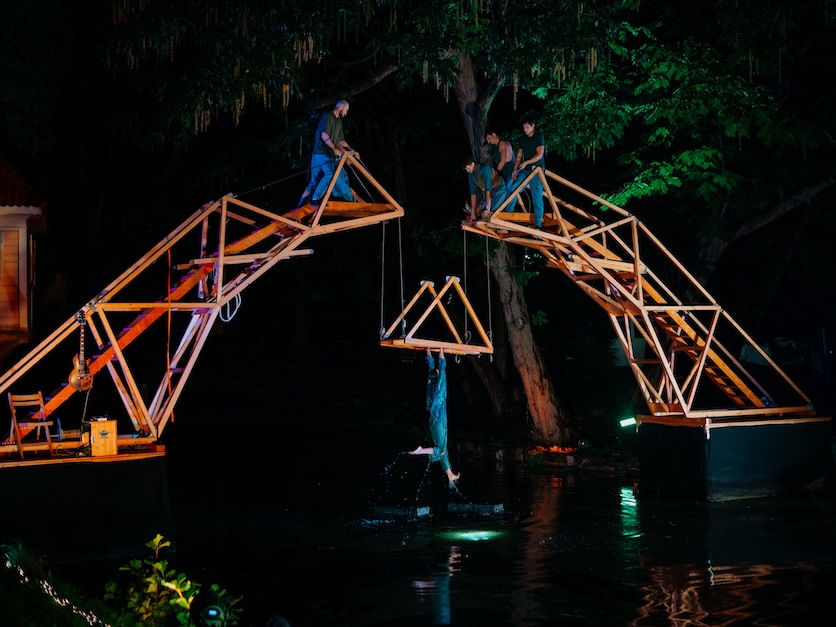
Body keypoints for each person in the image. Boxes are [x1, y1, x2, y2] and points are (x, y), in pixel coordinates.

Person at [410, 348, 460, 486]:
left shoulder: (435, 387)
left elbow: (441, 369)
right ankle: (450, 474)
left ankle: (421, 451)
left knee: (441, 450)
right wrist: (429, 352)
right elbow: (434, 368)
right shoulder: (433, 383)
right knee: (444, 450)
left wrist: (441, 350)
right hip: (434, 423)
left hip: (437, 422)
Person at [298, 99, 359, 206]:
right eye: (346, 110)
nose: (346, 113)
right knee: (330, 174)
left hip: (324, 155)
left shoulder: (339, 122)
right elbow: (324, 135)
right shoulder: (327, 116)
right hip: (322, 152)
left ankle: (299, 206)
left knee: (313, 182)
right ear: (341, 107)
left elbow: (340, 140)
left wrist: (351, 150)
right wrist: (334, 149)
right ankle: (315, 198)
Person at [510, 115, 546, 228]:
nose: (525, 130)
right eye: (524, 127)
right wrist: (515, 169)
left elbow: (539, 155)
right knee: (514, 187)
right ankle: (508, 214)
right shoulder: (522, 139)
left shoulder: (539, 136)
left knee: (536, 196)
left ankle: (538, 223)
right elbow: (518, 157)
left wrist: (527, 162)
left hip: (537, 170)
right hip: (525, 170)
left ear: (532, 126)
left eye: (527, 127)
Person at [463, 157, 508, 221]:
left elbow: (488, 191)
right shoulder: (470, 174)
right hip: (492, 192)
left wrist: (488, 209)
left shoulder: (485, 169)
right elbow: (473, 194)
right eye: (466, 169)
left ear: (473, 164)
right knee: (482, 209)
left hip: (500, 188)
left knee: (492, 211)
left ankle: (501, 228)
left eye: (468, 168)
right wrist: (473, 213)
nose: (468, 171)